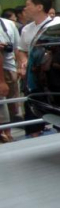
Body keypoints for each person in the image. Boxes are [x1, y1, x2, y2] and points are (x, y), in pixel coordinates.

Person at [15, 0, 60, 137]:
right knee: (33, 104)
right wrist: (23, 62)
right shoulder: (26, 29)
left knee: (58, 104)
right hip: (34, 75)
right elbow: (21, 50)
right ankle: (34, 134)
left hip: (55, 74)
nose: (25, 8)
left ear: (39, 7)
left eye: (28, 5)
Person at [0, 12, 20, 143]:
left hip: (10, 67)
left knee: (12, 105)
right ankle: (4, 135)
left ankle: (8, 133)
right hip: (2, 72)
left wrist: (20, 67)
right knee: (2, 106)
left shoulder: (8, 24)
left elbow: (17, 48)